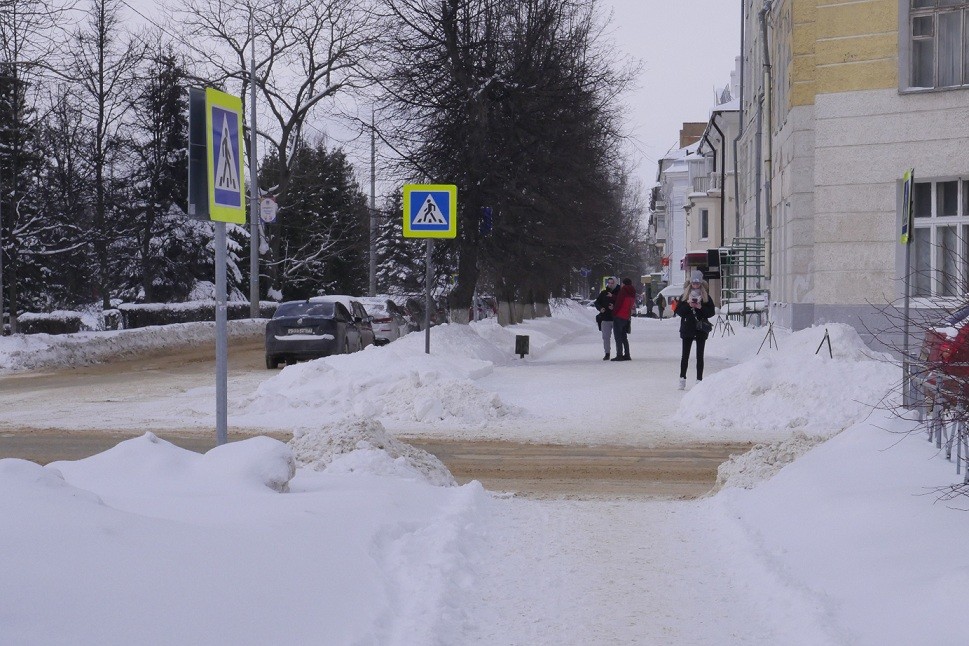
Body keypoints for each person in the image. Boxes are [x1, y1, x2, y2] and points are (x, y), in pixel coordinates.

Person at [675, 270, 716, 388]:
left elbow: (711, 312)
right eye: (693, 283)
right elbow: (679, 311)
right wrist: (688, 305)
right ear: (690, 283)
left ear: (701, 284)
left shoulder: (705, 296)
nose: (695, 285)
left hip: (700, 329)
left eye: (698, 283)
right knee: (685, 355)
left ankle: (699, 379)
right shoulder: (685, 295)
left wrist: (700, 307)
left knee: (700, 355)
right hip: (687, 328)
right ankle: (682, 378)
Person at [611, 277, 637, 361]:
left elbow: (619, 302)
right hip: (626, 316)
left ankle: (619, 355)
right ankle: (627, 354)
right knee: (624, 337)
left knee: (618, 336)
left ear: (624, 284)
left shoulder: (623, 291)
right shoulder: (632, 292)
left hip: (619, 316)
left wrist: (613, 311)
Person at [594, 277, 618, 360]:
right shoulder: (603, 293)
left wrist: (614, 307)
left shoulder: (619, 292)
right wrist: (600, 308)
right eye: (609, 283)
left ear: (615, 283)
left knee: (618, 337)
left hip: (616, 318)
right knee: (606, 337)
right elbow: (597, 302)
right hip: (605, 318)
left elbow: (622, 304)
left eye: (612, 283)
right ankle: (607, 353)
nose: (610, 285)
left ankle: (619, 353)